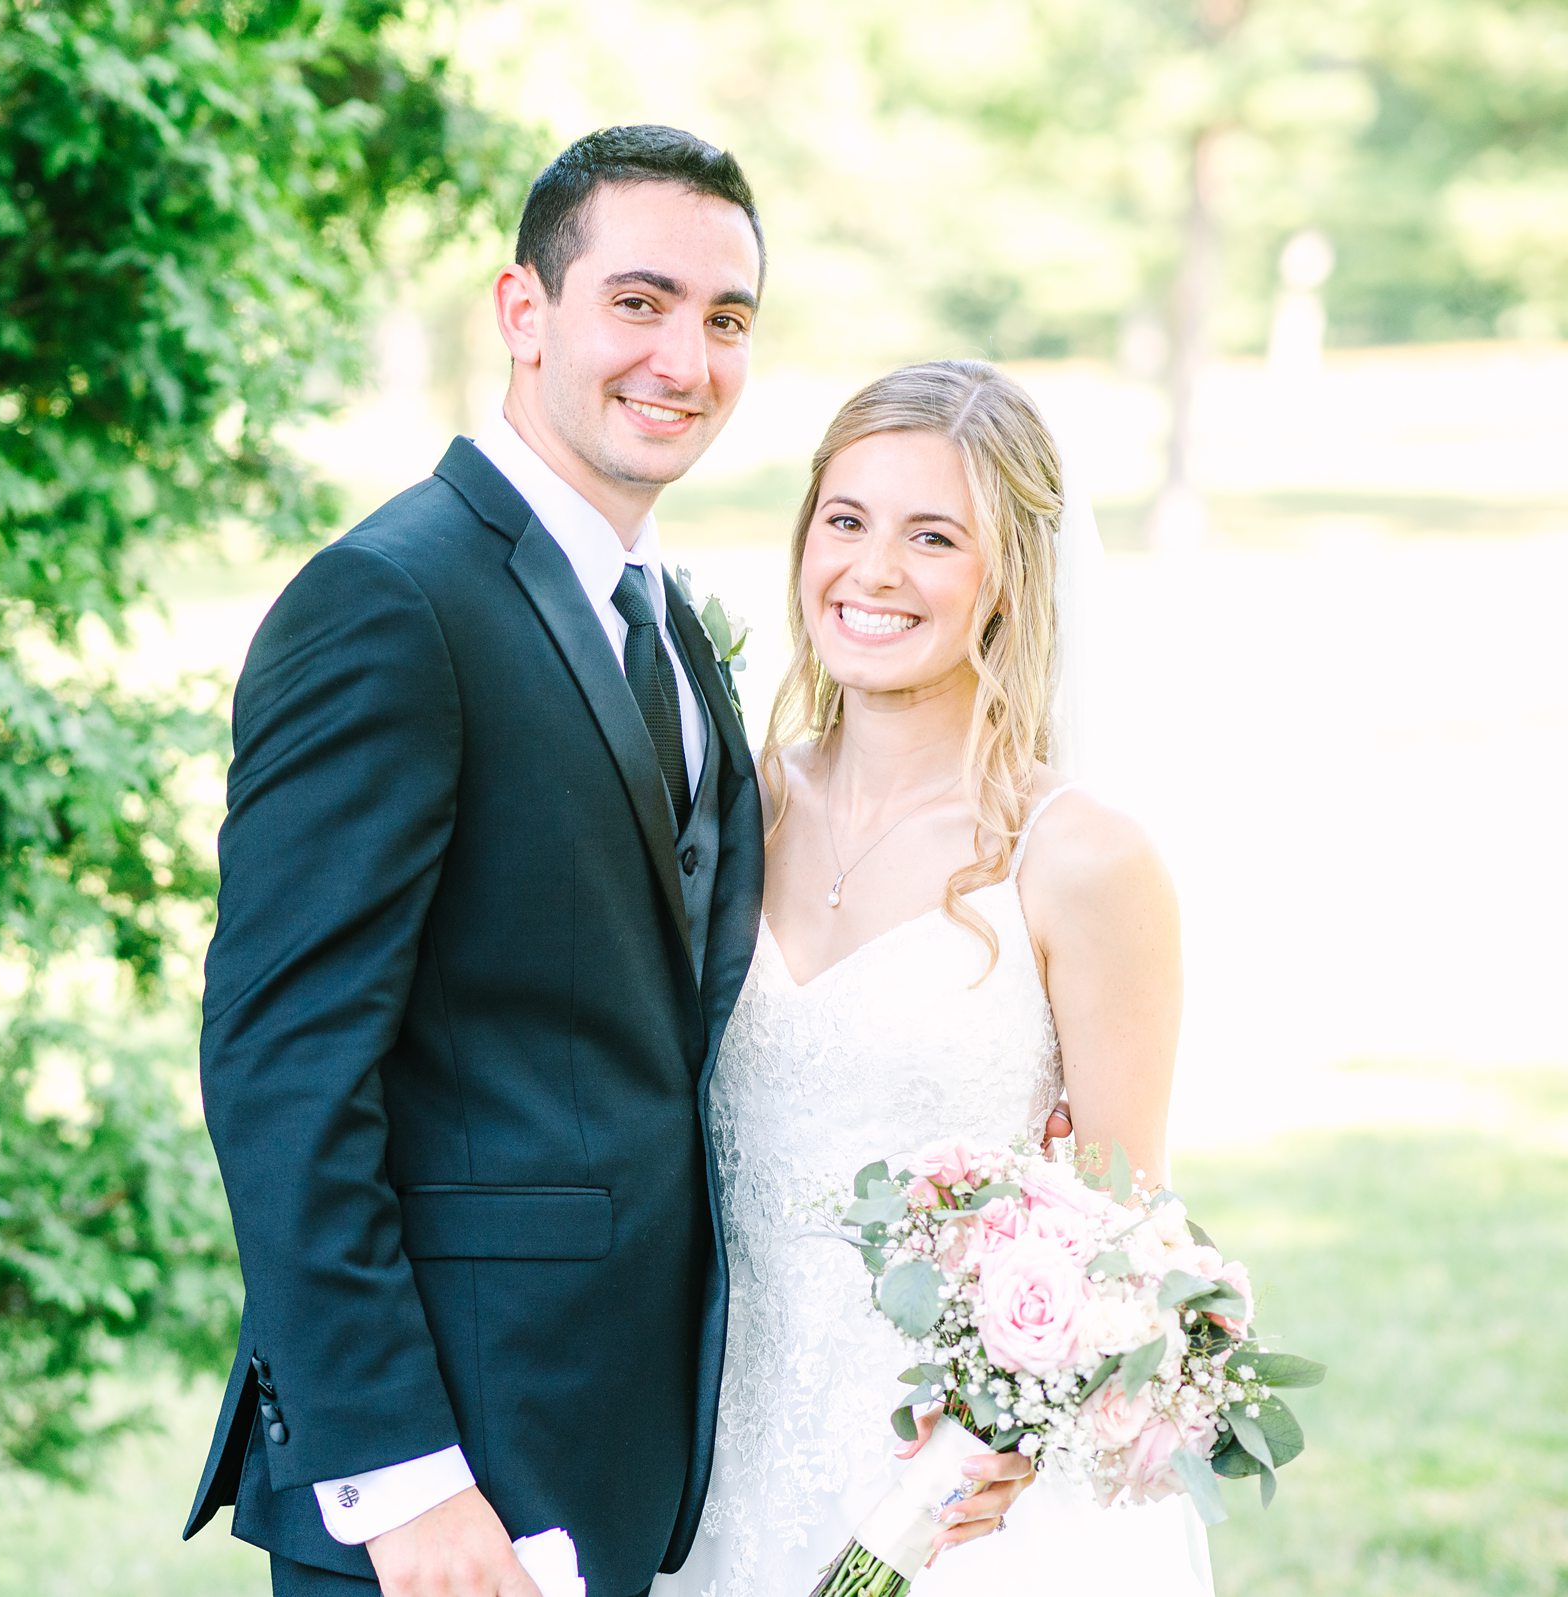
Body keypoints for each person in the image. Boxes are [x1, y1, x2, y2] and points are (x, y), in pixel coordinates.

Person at [182, 130, 1037, 1597]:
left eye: (724, 320)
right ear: (525, 314)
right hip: (449, 1494)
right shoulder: (391, 603)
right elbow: (282, 1070)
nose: (683, 359)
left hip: (648, 1468)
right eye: (637, 303)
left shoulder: (668, 628)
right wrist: (403, 1481)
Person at [656, 360, 1213, 1596]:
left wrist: (996, 1440)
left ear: (1010, 574)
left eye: (934, 537)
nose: (873, 572)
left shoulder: (1083, 860)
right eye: (846, 521)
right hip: (716, 1460)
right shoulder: (728, 810)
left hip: (955, 1508)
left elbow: (1123, 1236)